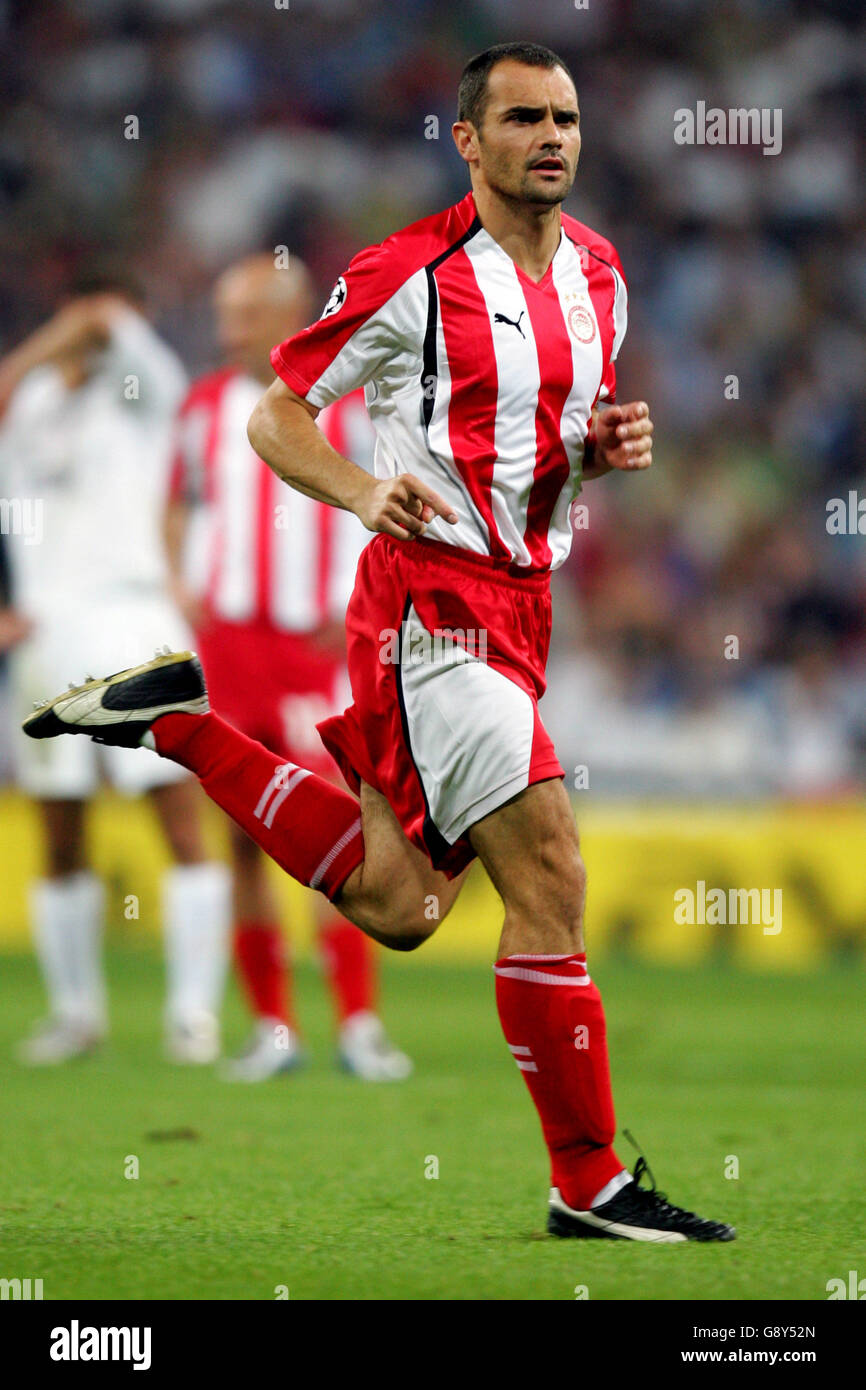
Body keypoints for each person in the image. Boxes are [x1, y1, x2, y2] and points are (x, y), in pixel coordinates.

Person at [25, 45, 734, 1240]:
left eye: (563, 116)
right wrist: (361, 492)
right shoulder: (411, 271)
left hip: (523, 609)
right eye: (521, 117)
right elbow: (274, 412)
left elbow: (542, 442)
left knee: (400, 903)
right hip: (430, 604)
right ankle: (589, 1183)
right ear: (468, 139)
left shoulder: (602, 275)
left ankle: (169, 721)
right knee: (551, 869)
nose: (550, 135)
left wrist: (598, 446)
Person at [166, 253, 411, 1081]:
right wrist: (181, 586)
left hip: (314, 650)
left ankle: (358, 1024)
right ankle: (273, 1029)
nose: (227, 330)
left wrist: (354, 612)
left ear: (291, 317)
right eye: (223, 313)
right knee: (242, 837)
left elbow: (383, 505)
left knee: (342, 828)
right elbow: (175, 500)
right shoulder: (201, 407)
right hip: (231, 650)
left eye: (244, 314)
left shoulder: (347, 406)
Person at [0, 274, 231, 1065]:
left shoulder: (146, 383)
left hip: (134, 618)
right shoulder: (31, 410)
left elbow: (100, 317)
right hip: (47, 633)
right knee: (58, 826)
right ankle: (75, 1014)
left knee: (175, 814)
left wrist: (16, 364)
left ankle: (193, 1015)